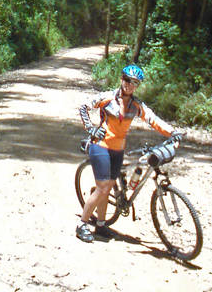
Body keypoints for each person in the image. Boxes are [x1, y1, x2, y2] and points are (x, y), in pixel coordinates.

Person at [76, 63, 181, 242]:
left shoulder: (136, 105)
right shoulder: (108, 98)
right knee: (103, 188)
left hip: (118, 150)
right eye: (126, 80)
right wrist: (91, 129)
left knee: (107, 187)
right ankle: (82, 224)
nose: (129, 85)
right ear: (121, 79)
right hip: (100, 146)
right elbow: (83, 107)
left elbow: (153, 120)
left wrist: (173, 132)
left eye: (134, 82)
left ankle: (101, 225)